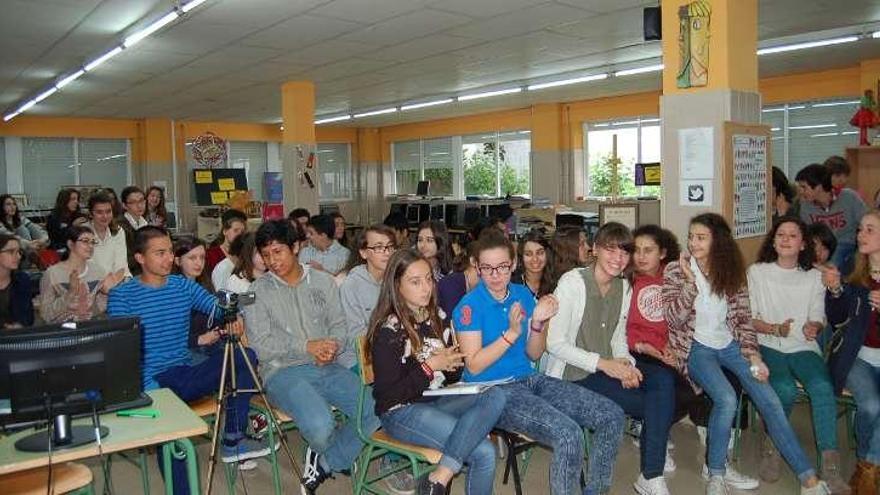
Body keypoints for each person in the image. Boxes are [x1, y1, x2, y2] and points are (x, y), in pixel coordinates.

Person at [664, 213, 829, 495]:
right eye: (691, 236)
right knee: (727, 398)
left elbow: (742, 320)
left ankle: (808, 479)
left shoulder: (730, 271)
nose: (693, 243)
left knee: (770, 399)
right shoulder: (676, 269)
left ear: (718, 241)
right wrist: (690, 284)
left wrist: (753, 357)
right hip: (696, 347)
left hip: (730, 346)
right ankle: (716, 473)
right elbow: (673, 319)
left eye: (701, 237)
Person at [453, 229, 625, 495]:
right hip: (493, 390)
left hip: (530, 379)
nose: (495, 275)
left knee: (612, 416)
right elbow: (474, 366)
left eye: (502, 267)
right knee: (568, 435)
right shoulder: (469, 306)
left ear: (512, 264)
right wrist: (510, 334)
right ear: (477, 267)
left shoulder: (522, 295)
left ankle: (596, 490)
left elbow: (534, 354)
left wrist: (537, 323)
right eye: (487, 268)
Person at [107, 226, 270, 494]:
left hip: (184, 371)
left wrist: (233, 313)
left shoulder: (182, 286)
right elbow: (121, 354)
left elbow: (217, 305)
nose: (169, 258)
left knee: (245, 356)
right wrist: (153, 395)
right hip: (152, 381)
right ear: (139, 258)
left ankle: (232, 436)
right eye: (160, 253)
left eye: (170, 252)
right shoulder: (122, 296)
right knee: (175, 442)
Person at [244, 220, 379, 492]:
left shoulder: (323, 281)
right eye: (266, 254)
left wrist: (332, 348)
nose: (272, 260)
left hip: (328, 365)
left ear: (296, 247)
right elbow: (260, 345)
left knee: (379, 407)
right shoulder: (256, 292)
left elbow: (339, 327)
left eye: (278, 251)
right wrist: (307, 346)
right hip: (282, 372)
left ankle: (327, 460)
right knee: (320, 426)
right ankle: (334, 452)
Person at [547, 222, 675, 495]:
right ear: (595, 249)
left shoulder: (623, 287)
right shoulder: (572, 283)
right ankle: (652, 471)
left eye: (624, 252)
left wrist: (625, 363)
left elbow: (618, 336)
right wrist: (608, 366)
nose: (618, 258)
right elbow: (554, 344)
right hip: (575, 375)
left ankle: (650, 475)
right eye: (611, 250)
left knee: (663, 379)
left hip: (608, 366)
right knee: (648, 403)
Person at [367, 249, 504, 495]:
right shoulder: (389, 331)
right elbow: (387, 397)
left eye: (429, 279)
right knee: (484, 452)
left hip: (435, 399)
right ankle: (441, 476)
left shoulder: (435, 317)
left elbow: (448, 377)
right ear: (397, 285)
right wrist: (430, 367)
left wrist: (453, 362)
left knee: (495, 395)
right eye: (415, 282)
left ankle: (438, 478)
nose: (426, 288)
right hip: (400, 412)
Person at [748, 217, 849, 493]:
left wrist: (813, 326)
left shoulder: (814, 276)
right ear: (773, 240)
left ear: (803, 243)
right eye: (780, 234)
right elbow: (749, 317)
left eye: (793, 235)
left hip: (803, 346)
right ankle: (773, 446)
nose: (785, 239)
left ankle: (830, 465)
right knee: (784, 388)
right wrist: (774, 329)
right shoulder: (758, 272)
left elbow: (818, 315)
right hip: (769, 343)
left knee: (822, 386)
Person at [823, 209, 880, 494]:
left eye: (869, 229)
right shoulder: (851, 266)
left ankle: (866, 467)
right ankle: (868, 465)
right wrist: (834, 291)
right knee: (871, 406)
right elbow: (836, 318)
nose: (860, 235)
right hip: (857, 356)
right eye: (860, 229)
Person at [339, 225, 398, 369]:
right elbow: (355, 337)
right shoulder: (352, 284)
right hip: (359, 358)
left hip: (393, 351)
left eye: (390, 247)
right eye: (378, 247)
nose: (386, 252)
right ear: (364, 253)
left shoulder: (396, 280)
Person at [39, 226, 125, 323]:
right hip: (63, 331)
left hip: (90, 329)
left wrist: (110, 293)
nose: (91, 246)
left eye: (93, 242)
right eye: (85, 241)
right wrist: (70, 293)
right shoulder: (52, 274)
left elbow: (95, 309)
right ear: (71, 244)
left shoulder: (98, 271)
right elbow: (46, 314)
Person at [796, 163, 867, 277]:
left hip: (847, 243)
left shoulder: (849, 197)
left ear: (818, 187)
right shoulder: (805, 205)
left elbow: (866, 222)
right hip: (821, 245)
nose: (800, 191)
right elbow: (807, 232)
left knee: (833, 261)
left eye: (804, 187)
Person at [0, 233, 34, 328]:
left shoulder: (22, 280)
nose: (18, 256)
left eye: (19, 252)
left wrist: (19, 324)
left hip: (15, 337)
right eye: (11, 252)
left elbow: (28, 317)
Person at [511, 230, 553, 299]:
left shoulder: (556, 283)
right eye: (528, 254)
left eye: (540, 253)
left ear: (547, 254)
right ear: (521, 257)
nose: (535, 259)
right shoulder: (512, 285)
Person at [206, 208, 247, 276]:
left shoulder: (244, 254)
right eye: (235, 230)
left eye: (242, 232)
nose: (239, 235)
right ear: (225, 231)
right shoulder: (211, 255)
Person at [549, 226, 592, 291]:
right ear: (568, 249)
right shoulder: (570, 280)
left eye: (586, 242)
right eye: (582, 244)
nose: (588, 247)